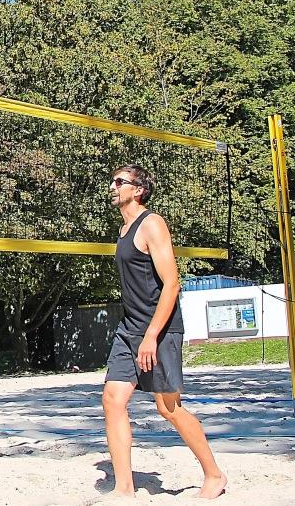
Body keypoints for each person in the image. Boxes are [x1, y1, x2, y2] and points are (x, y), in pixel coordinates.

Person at [102, 164, 227, 499]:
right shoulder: (124, 227)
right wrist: (137, 333)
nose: (112, 186)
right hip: (130, 327)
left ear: (138, 189)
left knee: (168, 407)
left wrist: (151, 336)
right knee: (113, 400)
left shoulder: (152, 224)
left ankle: (214, 474)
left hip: (160, 327)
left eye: (119, 182)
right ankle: (124, 488)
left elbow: (172, 284)